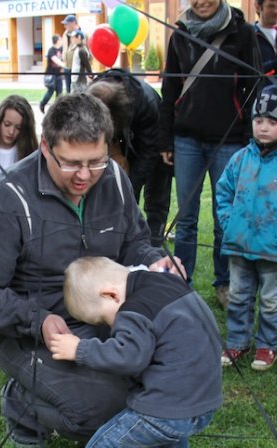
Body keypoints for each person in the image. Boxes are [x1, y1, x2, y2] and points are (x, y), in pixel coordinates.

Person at [0, 93, 178, 447]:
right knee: (103, 411)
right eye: (71, 164)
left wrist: (153, 260)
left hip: (104, 315)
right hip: (34, 332)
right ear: (45, 146)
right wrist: (35, 319)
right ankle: (21, 401)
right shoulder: (4, 198)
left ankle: (94, 381)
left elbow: (134, 241)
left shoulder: (115, 179)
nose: (85, 176)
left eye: (95, 161)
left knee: (175, 374)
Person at [50, 257, 222, 448]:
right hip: (203, 399)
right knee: (170, 433)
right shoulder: (165, 283)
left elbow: (129, 356)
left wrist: (80, 349)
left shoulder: (133, 309)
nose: (111, 327)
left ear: (111, 294)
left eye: (105, 320)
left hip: (168, 403)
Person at [159, 0, 261, 309]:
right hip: (186, 139)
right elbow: (170, 89)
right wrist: (166, 139)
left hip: (229, 141)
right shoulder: (180, 34)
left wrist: (248, 136)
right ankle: (182, 281)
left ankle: (224, 282)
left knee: (224, 218)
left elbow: (254, 87)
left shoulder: (242, 33)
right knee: (186, 218)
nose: (201, 2)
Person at [217, 85, 277, 371]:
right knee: (238, 296)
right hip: (238, 245)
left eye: (272, 122)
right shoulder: (240, 158)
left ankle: (266, 345)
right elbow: (223, 192)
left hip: (273, 249)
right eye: (259, 120)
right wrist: (229, 222)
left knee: (271, 300)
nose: (263, 127)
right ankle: (237, 341)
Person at [88, 69, 172, 247]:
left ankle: (153, 248)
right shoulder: (91, 99)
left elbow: (149, 153)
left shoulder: (146, 104)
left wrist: (129, 188)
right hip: (126, 144)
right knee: (115, 198)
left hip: (156, 147)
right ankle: (120, 243)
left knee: (156, 201)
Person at [39, 35, 64, 113]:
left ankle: (57, 109)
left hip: (58, 74)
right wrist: (65, 66)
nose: (61, 41)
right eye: (60, 39)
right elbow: (55, 60)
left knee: (59, 92)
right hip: (51, 74)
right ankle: (42, 104)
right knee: (51, 91)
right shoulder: (51, 50)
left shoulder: (62, 49)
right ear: (56, 41)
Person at [62, 14, 80, 92]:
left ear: (73, 23)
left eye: (67, 24)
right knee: (68, 90)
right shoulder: (65, 34)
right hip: (67, 66)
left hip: (77, 67)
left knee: (76, 89)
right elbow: (64, 48)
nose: (65, 26)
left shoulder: (80, 34)